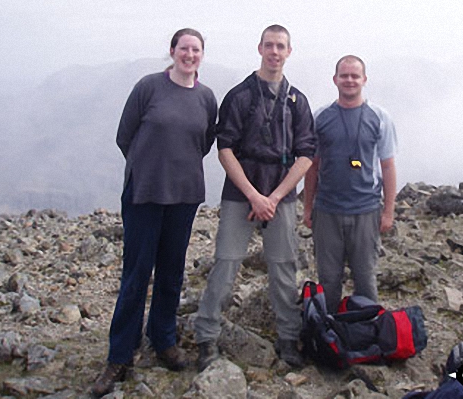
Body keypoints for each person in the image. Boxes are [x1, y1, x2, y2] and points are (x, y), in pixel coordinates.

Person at [92, 28, 218, 397]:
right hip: (144, 194)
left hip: (183, 195)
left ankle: (164, 341)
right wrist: (147, 167)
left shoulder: (206, 97)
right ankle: (120, 355)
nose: (189, 55)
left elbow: (205, 141)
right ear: (172, 51)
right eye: (184, 48)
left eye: (196, 50)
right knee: (136, 274)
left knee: (171, 272)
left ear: (201, 55)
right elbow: (125, 135)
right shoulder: (148, 87)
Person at [194, 24, 316, 371]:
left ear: (289, 52)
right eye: (269, 45)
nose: (274, 52)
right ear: (259, 48)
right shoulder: (240, 96)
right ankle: (206, 338)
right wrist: (253, 195)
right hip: (240, 193)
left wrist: (274, 198)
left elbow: (306, 153)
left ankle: (288, 338)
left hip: (281, 195)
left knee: (283, 267)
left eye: (281, 46)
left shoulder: (297, 101)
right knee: (226, 263)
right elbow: (225, 147)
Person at [303, 55, 397, 314]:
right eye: (344, 75)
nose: (349, 80)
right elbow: (312, 166)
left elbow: (387, 166)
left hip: (366, 210)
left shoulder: (379, 117)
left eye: (355, 76)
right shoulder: (320, 117)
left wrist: (388, 211)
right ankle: (330, 337)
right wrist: (308, 208)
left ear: (364, 80)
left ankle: (369, 336)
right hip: (327, 210)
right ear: (335, 80)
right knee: (329, 281)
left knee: (366, 280)